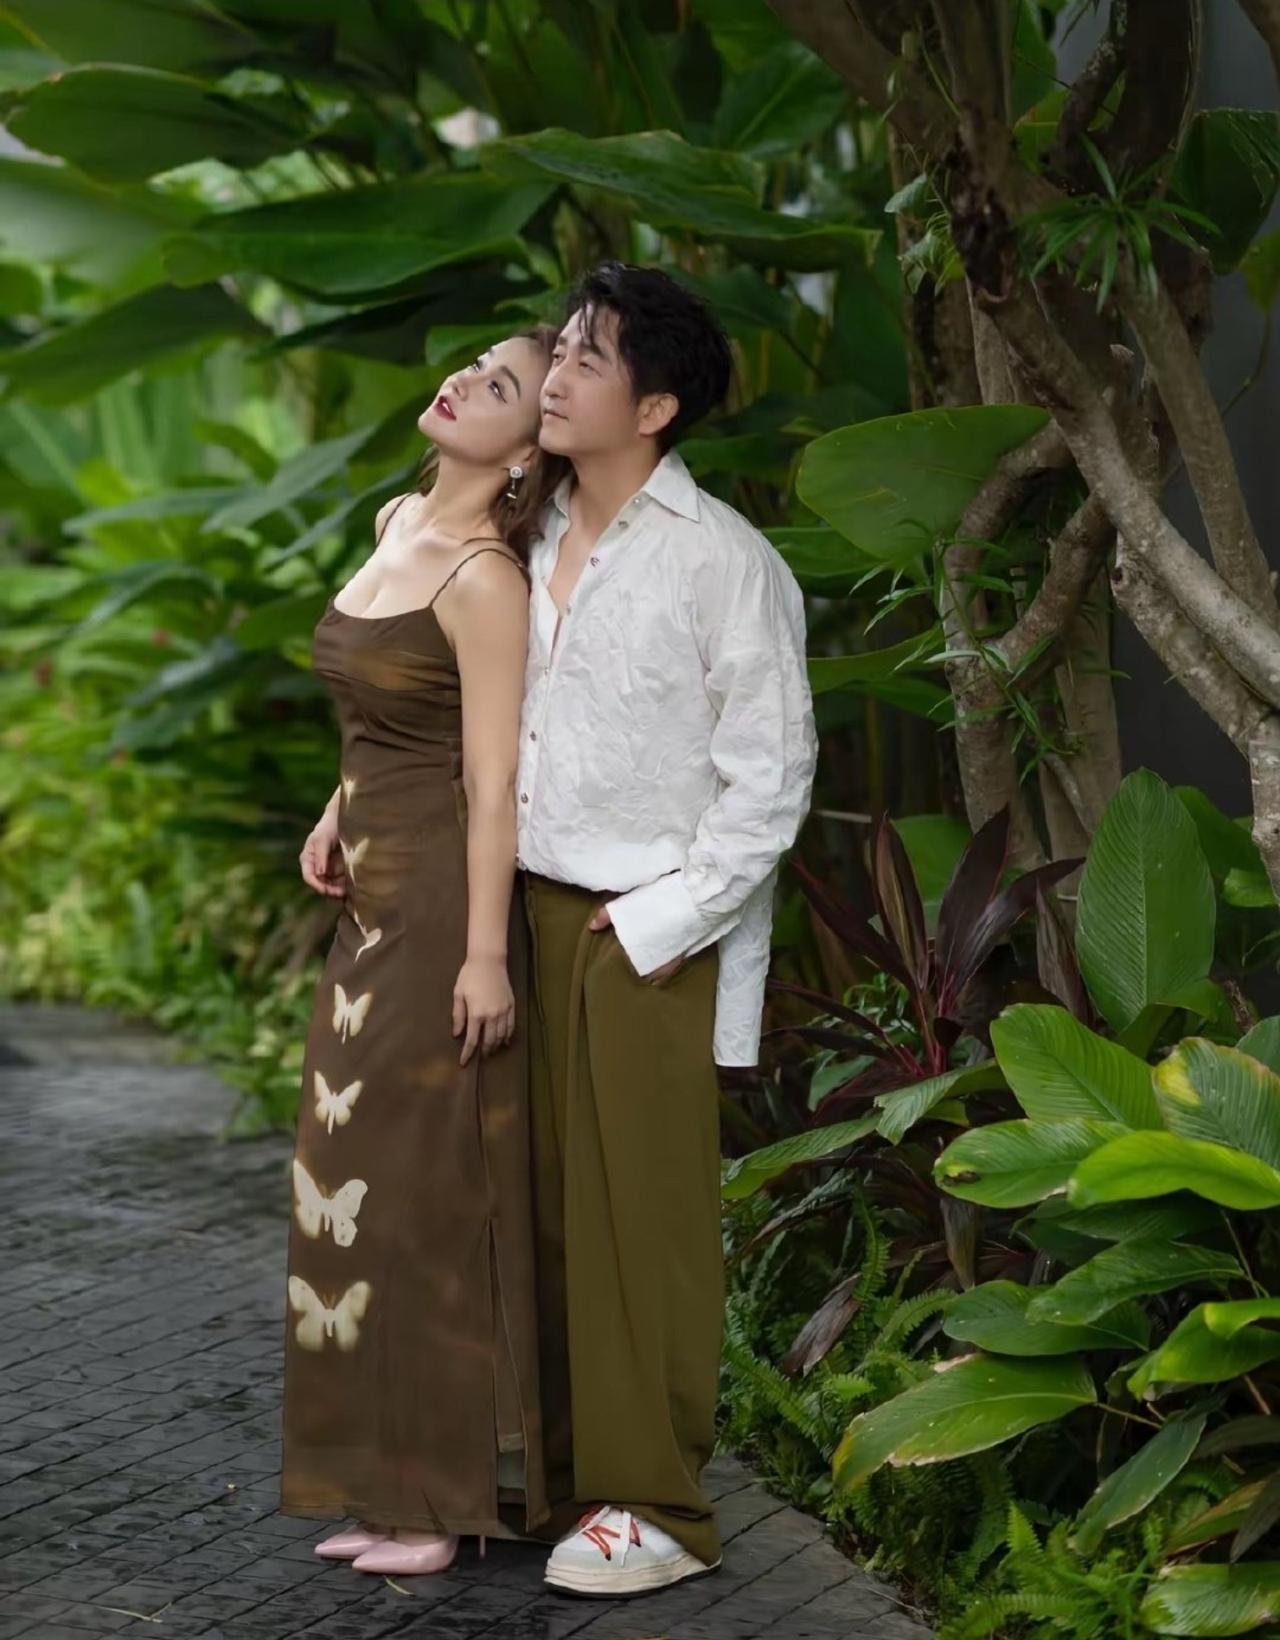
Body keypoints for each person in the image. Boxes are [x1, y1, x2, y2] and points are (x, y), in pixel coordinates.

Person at [517, 263, 818, 1598]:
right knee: (535, 1209)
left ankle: (660, 1508)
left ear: (655, 407)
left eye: (589, 359)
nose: (557, 375)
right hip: (516, 908)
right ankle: (559, 1473)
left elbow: (773, 777)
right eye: (561, 350)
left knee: (643, 1224)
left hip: (643, 931)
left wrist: (664, 920)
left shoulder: (723, 561)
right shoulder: (524, 529)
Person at [280, 327, 568, 1577]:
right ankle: (386, 1478)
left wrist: (485, 956)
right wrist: (334, 809)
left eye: (498, 387)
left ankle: (438, 1499)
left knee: (420, 1191)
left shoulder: (485, 577)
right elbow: (384, 707)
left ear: (526, 452)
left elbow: (492, 777)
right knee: (346, 1182)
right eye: (473, 365)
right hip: (371, 895)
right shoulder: (398, 518)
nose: (460, 383)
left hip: (444, 907)